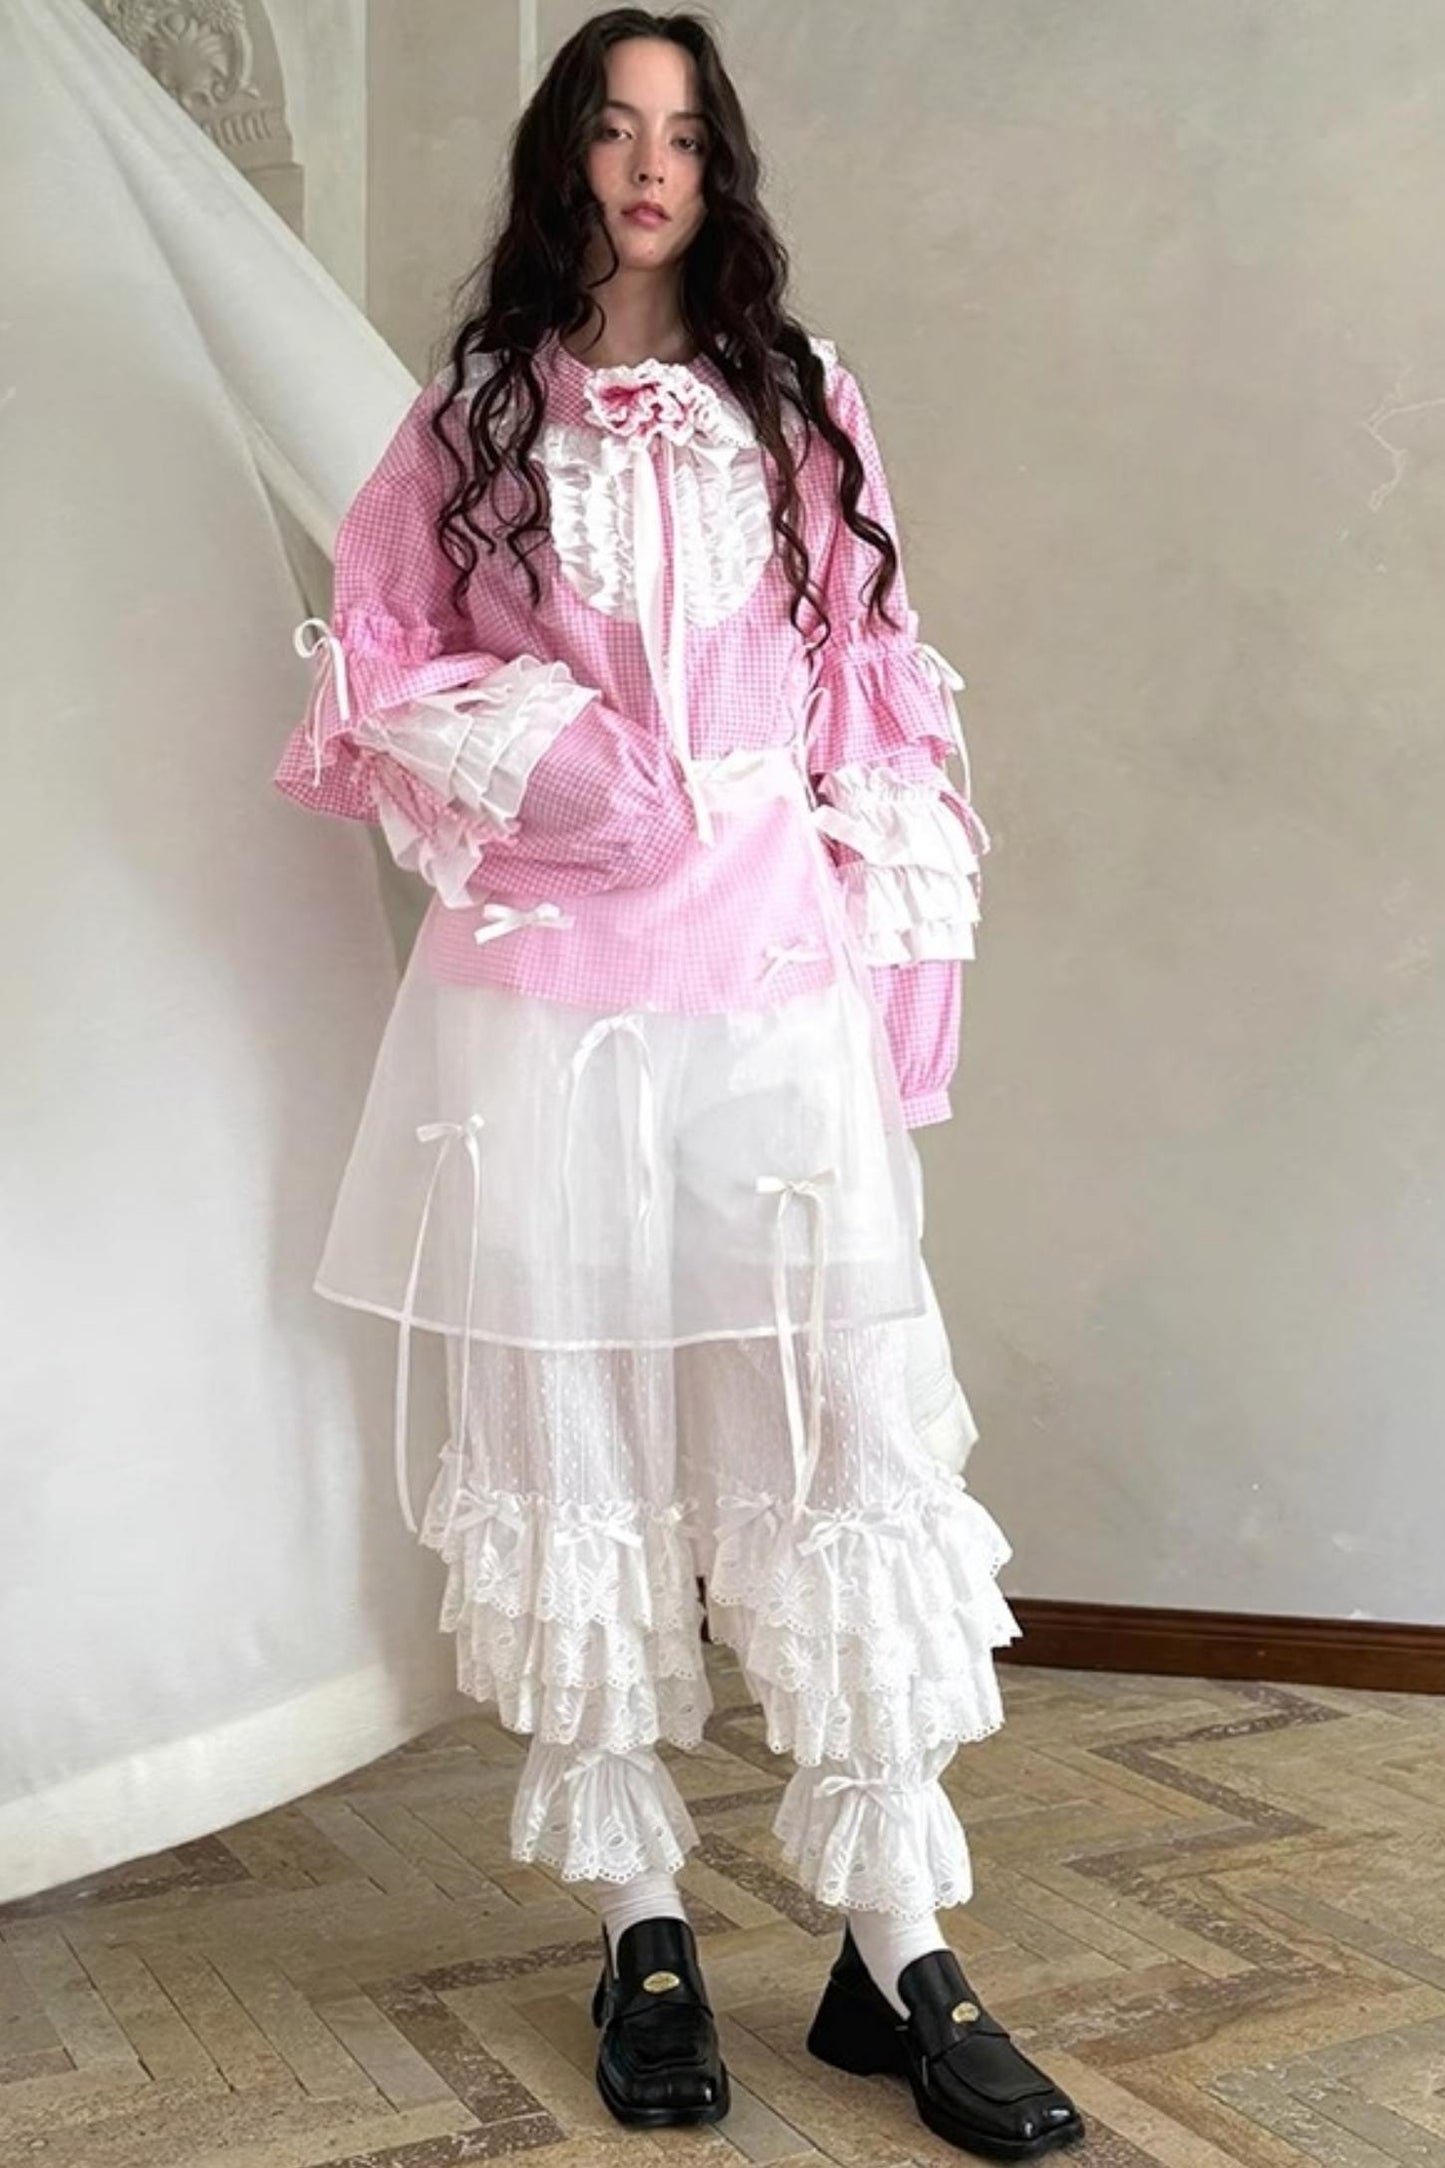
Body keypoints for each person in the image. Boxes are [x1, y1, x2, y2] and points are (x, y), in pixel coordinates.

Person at [275, 8, 1084, 2157]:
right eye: (618, 129)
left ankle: (898, 1946)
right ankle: (640, 1926)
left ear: (720, 174)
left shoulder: (797, 402)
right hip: (543, 1011)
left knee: (838, 1444)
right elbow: (376, 659)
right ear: (566, 158)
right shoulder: (472, 419)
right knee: (583, 1446)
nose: (654, 167)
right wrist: (549, 756)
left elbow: (878, 702)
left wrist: (901, 1009)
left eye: (689, 137)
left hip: (769, 990)